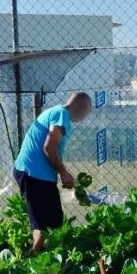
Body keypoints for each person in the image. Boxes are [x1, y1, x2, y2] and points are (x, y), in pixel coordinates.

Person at [13, 92, 92, 253]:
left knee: (53, 219)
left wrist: (63, 174)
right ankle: (34, 256)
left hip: (36, 174)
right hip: (32, 173)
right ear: (81, 108)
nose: (85, 117)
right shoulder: (61, 115)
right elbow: (49, 147)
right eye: (87, 112)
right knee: (43, 223)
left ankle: (40, 255)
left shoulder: (56, 112)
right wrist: (64, 173)